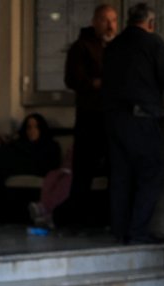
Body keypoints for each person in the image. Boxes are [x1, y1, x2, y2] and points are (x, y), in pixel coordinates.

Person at [102, 3, 164, 245]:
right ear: (151, 24)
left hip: (114, 120)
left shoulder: (113, 46)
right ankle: (137, 232)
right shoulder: (152, 43)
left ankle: (119, 231)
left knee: (120, 176)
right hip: (141, 118)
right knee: (151, 173)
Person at [61, 4, 117, 227]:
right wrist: (95, 83)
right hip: (90, 115)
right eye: (105, 20)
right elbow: (73, 79)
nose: (110, 25)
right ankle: (77, 219)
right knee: (83, 169)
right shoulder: (82, 47)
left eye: (113, 20)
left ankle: (108, 218)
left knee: (114, 168)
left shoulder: (118, 48)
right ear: (95, 21)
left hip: (112, 115)